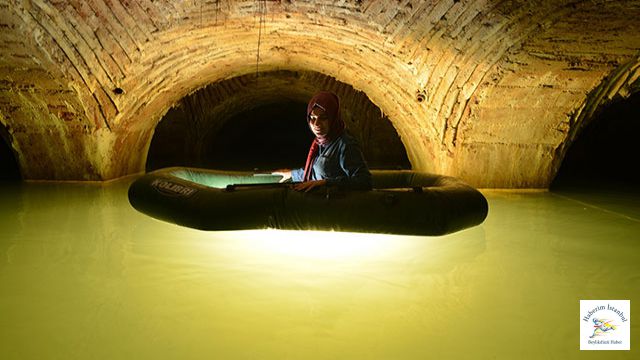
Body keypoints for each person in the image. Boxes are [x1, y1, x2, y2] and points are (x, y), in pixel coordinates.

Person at [273, 91, 372, 192]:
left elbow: (364, 181)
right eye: (312, 118)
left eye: (323, 118)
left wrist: (326, 183)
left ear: (333, 118)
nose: (316, 123)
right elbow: (314, 171)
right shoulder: (320, 142)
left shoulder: (345, 144)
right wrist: (292, 174)